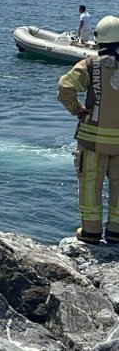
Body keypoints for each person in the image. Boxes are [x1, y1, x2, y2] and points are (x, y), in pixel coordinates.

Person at [57, 15, 119, 245]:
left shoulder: (91, 65)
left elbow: (65, 86)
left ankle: (91, 231)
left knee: (91, 183)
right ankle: (116, 231)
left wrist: (78, 110)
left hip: (91, 140)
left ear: (99, 40)